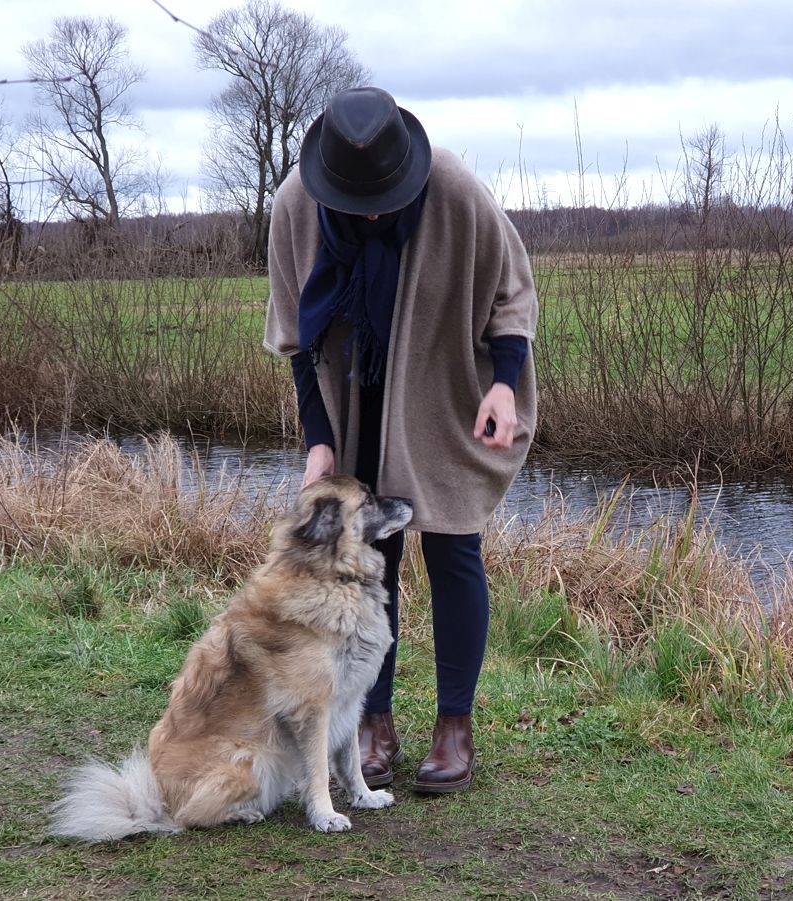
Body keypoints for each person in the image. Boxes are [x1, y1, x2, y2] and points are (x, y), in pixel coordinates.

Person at [263, 86, 537, 794]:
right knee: (368, 556)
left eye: (386, 198)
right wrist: (320, 439)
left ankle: (454, 725)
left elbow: (512, 295)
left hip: (446, 391)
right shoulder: (297, 204)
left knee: (453, 543)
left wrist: (504, 384)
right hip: (354, 392)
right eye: (361, 204)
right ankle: (373, 721)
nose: (376, 213)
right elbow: (297, 334)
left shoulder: (451, 187)